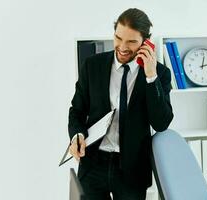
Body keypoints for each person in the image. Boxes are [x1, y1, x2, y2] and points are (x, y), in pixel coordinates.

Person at [68, 8, 174, 200]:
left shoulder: (160, 74)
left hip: (132, 170)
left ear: (146, 42)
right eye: (118, 38)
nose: (123, 47)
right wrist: (77, 134)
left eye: (132, 41)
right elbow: (77, 110)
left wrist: (151, 76)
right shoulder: (92, 65)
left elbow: (161, 123)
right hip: (93, 164)